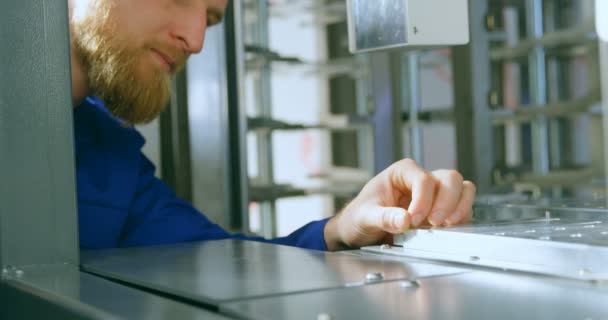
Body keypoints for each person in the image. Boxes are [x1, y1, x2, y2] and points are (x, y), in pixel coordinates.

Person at [69, 0, 476, 252]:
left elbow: (219, 263)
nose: (195, 39)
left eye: (210, 20)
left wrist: (344, 229)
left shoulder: (110, 161)